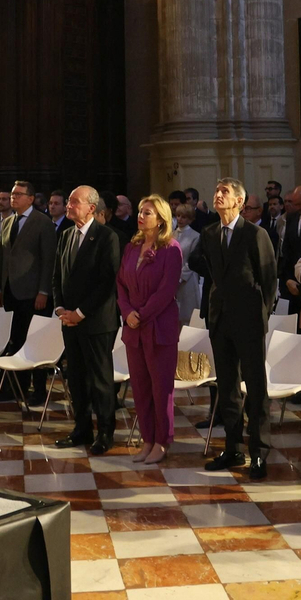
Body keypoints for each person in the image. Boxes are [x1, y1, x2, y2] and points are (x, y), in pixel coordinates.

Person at [190, 177, 277, 479]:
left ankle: (259, 453)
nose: (218, 195)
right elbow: (211, 270)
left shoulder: (256, 234)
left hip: (249, 320)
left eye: (224, 192)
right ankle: (233, 447)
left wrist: (260, 313)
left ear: (239, 201)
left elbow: (268, 280)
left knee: (255, 387)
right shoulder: (210, 232)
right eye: (216, 191)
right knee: (227, 387)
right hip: (220, 319)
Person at [52, 185, 122, 454]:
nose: (68, 206)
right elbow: (57, 276)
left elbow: (107, 282)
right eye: (68, 201)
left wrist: (79, 313)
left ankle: (105, 433)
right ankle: (81, 429)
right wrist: (60, 310)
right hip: (69, 321)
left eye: (74, 202)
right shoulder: (66, 235)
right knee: (76, 378)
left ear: (92, 208)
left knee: (100, 380)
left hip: (96, 322)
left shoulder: (107, 237)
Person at [117, 195, 183, 463]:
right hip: (134, 328)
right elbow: (120, 283)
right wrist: (127, 312)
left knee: (160, 387)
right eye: (141, 211)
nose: (141, 216)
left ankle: (162, 441)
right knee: (141, 387)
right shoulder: (131, 248)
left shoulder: (172, 249)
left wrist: (140, 314)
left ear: (161, 220)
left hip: (159, 327)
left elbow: (166, 291)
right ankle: (147, 440)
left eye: (148, 213)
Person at [0, 180, 58, 407]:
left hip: (33, 293)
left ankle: (39, 390)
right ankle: (16, 387)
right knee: (15, 341)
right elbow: (2, 257)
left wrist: (44, 291)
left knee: (35, 341)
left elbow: (48, 260)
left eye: (19, 194)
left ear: (31, 198)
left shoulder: (43, 222)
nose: (14, 198)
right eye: (12, 194)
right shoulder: (8, 221)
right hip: (11, 291)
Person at [278, 185, 301, 304]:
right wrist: (288, 279)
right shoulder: (292, 217)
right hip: (292, 283)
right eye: (295, 204)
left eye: (300, 204)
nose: (297, 208)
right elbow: (287, 251)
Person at [171, 203, 202, 322]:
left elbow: (192, 260)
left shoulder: (195, 236)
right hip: (171, 279)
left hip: (187, 280)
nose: (180, 219)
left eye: (184, 217)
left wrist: (180, 277)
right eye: (178, 216)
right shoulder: (171, 235)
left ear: (190, 219)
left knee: (187, 316)